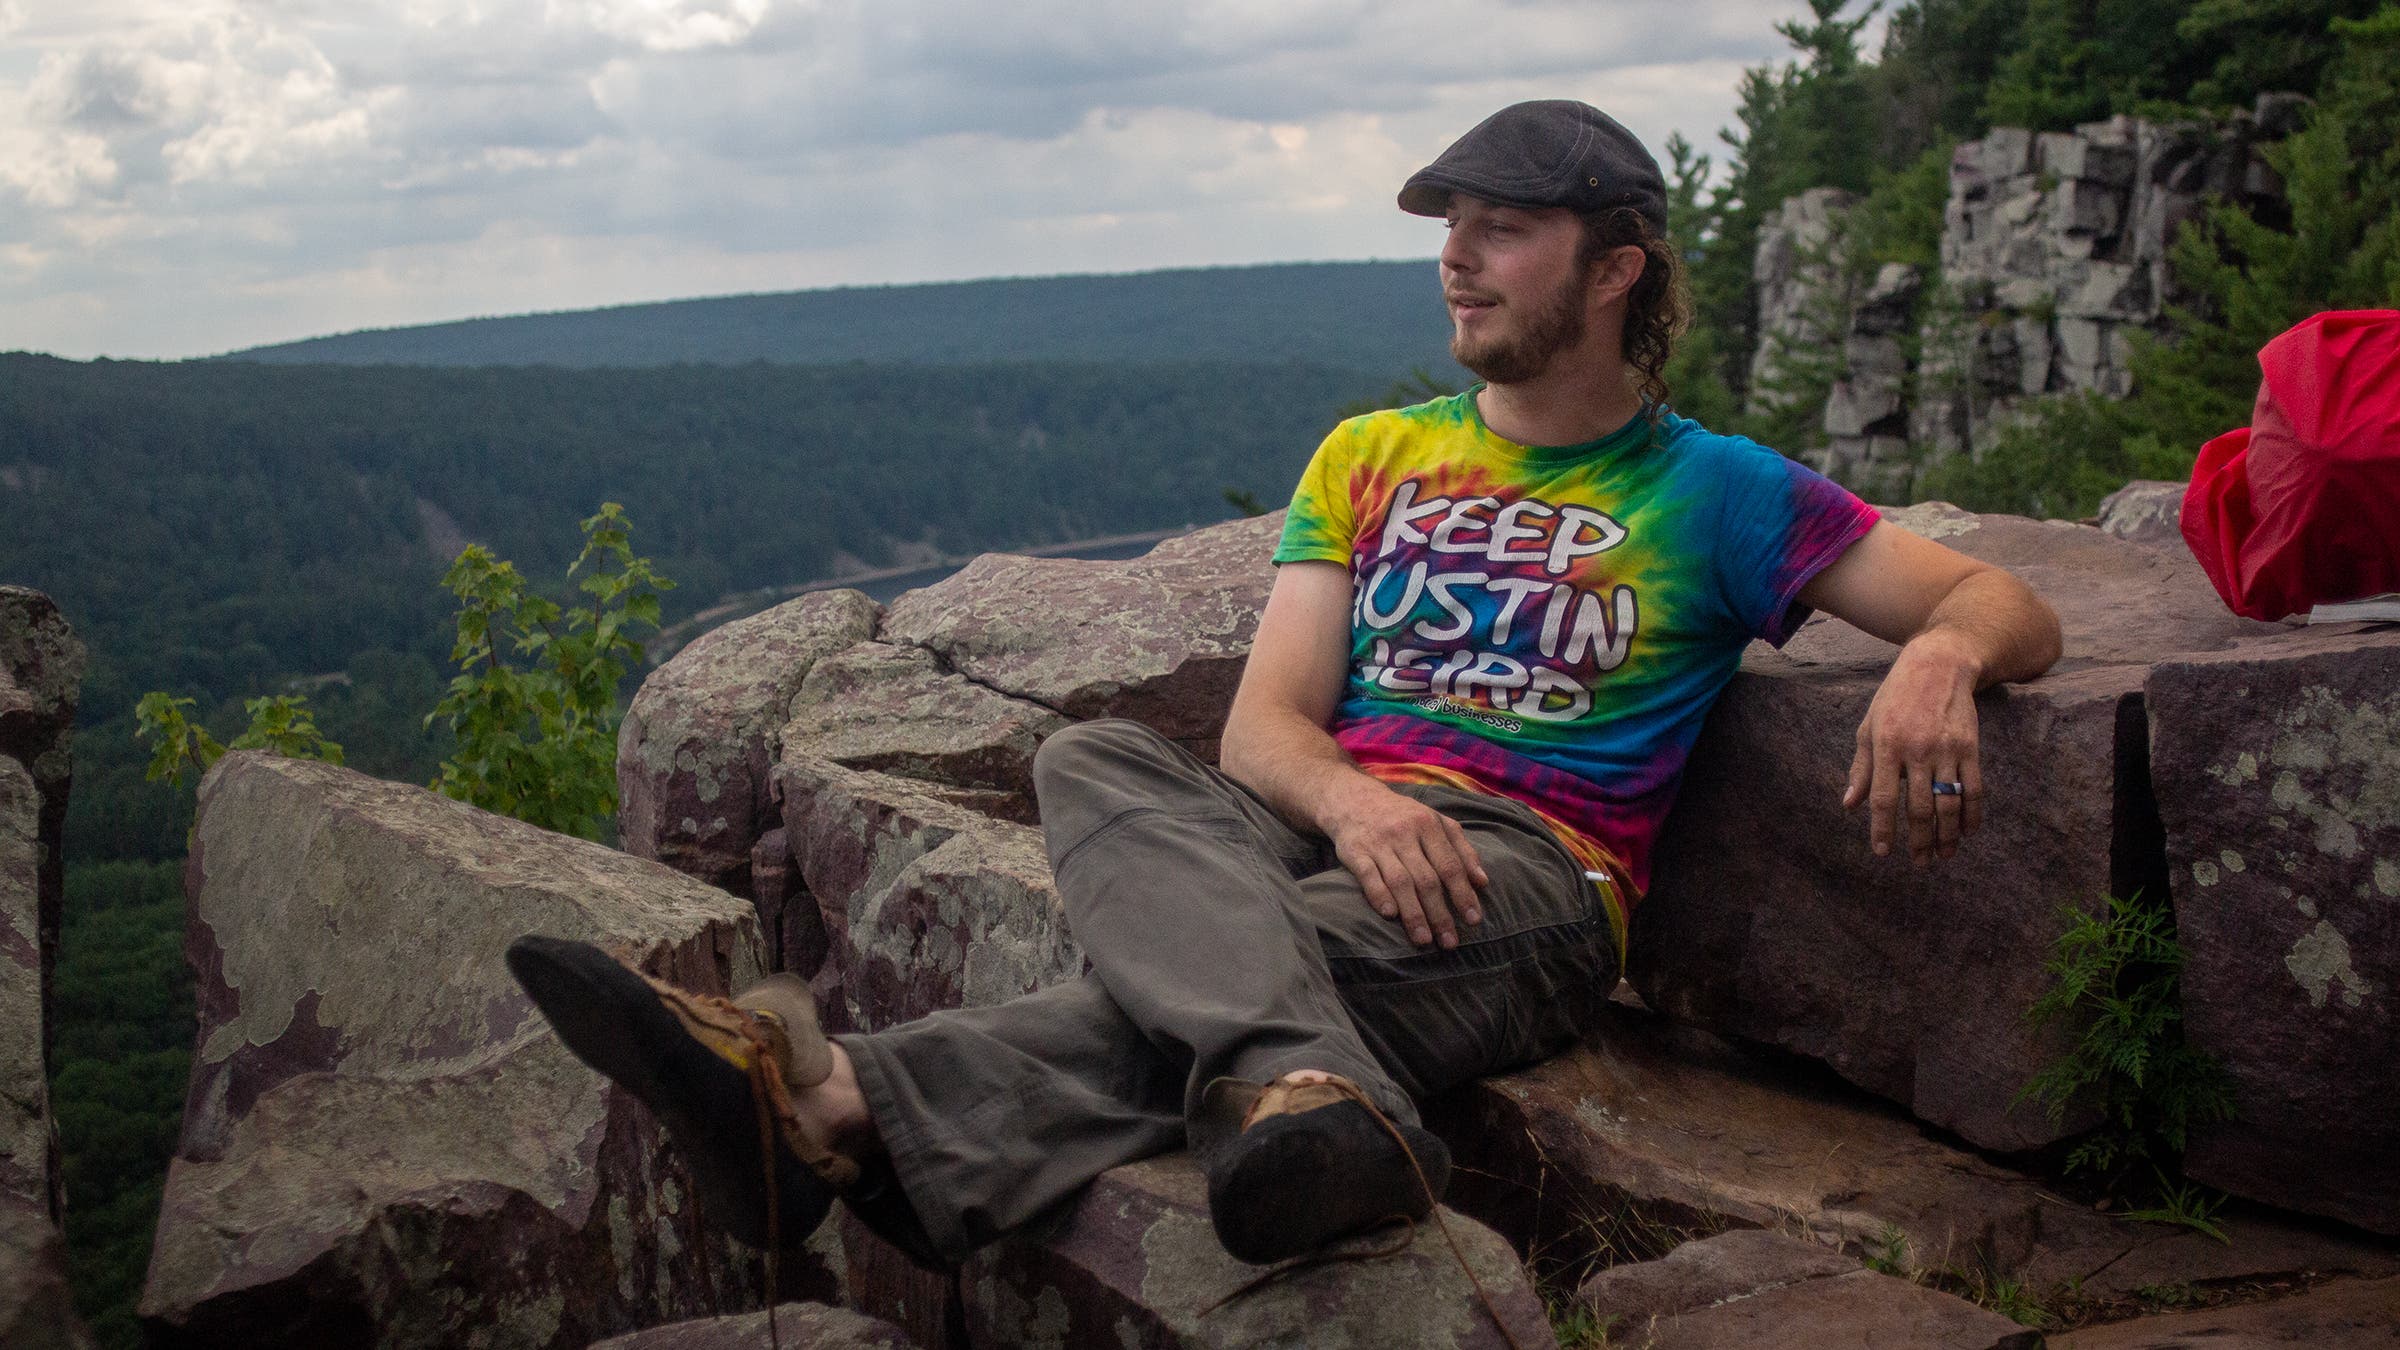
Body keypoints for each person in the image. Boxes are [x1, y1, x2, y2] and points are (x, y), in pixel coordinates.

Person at [507, 100, 2063, 1275]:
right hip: (1324, 829)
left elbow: (2004, 603)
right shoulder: (1373, 453)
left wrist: (1933, 654)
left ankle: (838, 1109)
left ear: (1616, 271)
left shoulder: (1718, 490)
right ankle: (1299, 1085)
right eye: (1448, 219)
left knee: (1221, 957)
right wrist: (1344, 796)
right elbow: (1263, 728)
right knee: (1103, 764)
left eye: (1504, 224)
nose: (1455, 250)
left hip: (1523, 880)